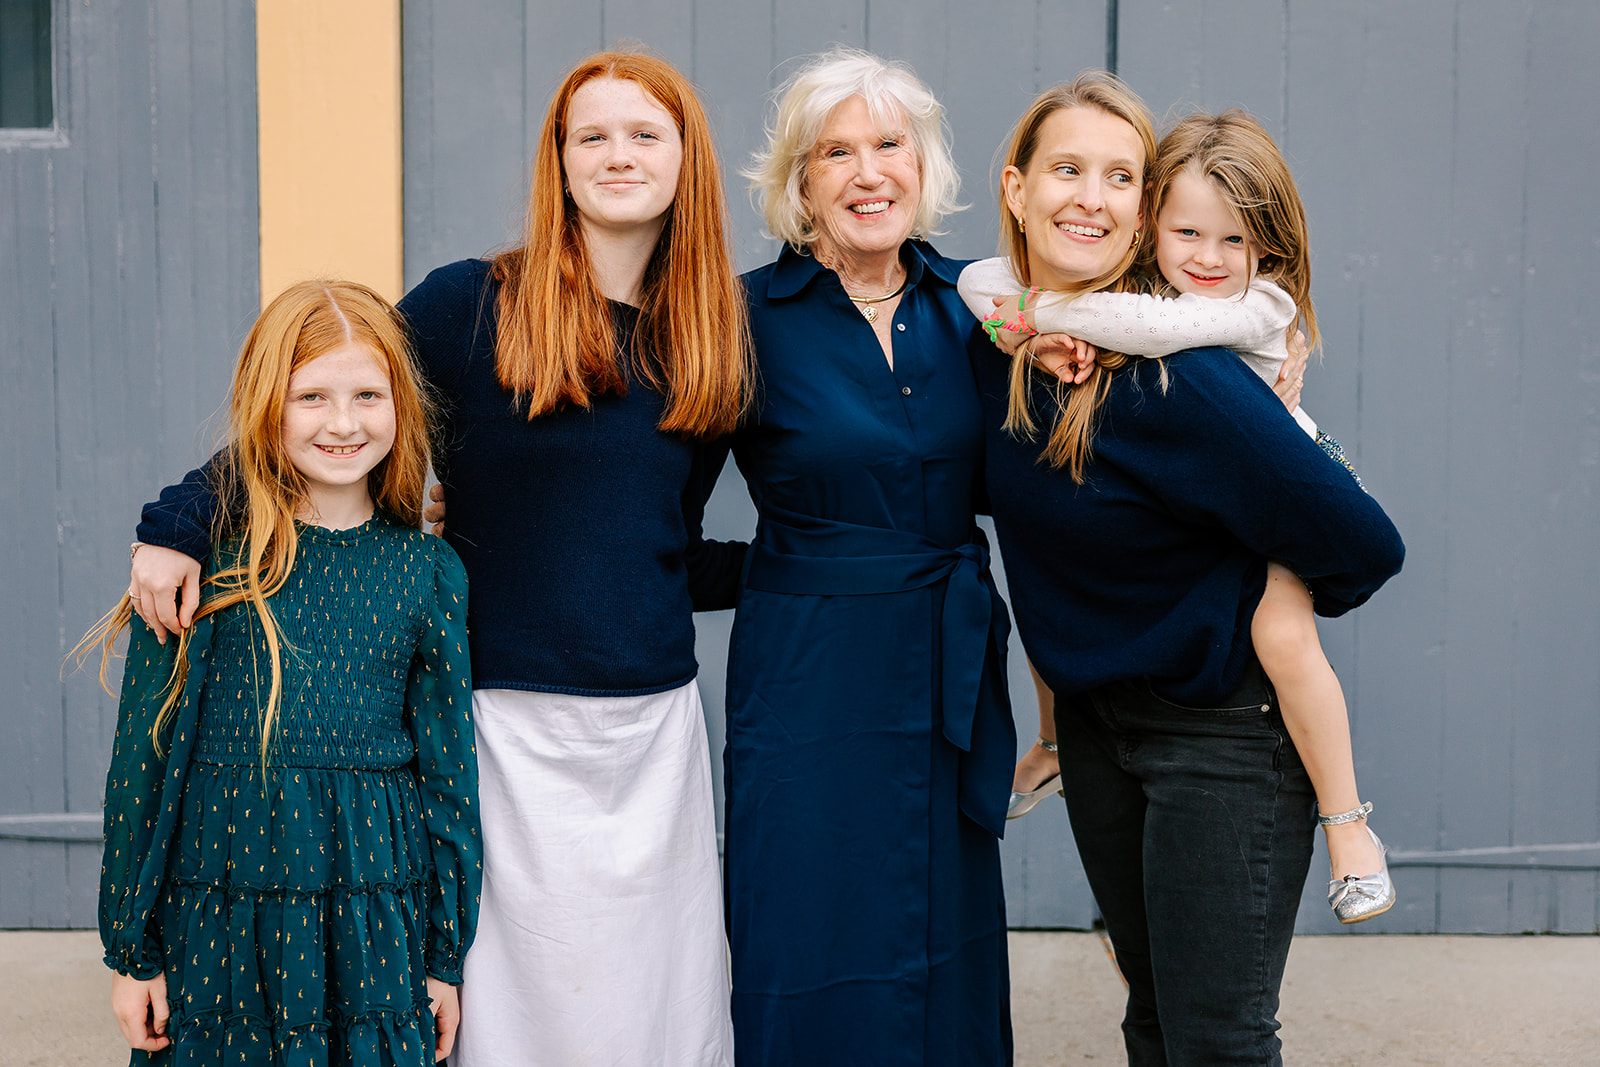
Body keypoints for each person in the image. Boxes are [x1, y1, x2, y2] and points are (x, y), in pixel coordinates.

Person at [124, 52, 751, 1067]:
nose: (618, 154)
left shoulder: (707, 336)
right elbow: (322, 399)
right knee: (508, 1002)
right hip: (499, 720)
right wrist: (180, 519)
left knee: (651, 1003)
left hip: (647, 732)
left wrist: (833, 571)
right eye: (591, 134)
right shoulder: (470, 305)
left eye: (645, 134)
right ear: (558, 160)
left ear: (689, 160)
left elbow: (659, 544)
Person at [969, 74, 1404, 1064]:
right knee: (1152, 1018)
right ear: (1017, 187)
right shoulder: (1005, 348)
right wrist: (1024, 331)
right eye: (1067, 169)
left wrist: (1264, 587)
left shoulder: (1185, 377)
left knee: (1216, 1037)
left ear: (1139, 207)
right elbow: (973, 285)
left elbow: (1366, 542)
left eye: (1117, 174)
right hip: (1097, 732)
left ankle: (1350, 824)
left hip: (1218, 732)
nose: (1089, 195)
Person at [80, 280, 480, 1064]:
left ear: (402, 404)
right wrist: (132, 952)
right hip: (220, 914)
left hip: (372, 917)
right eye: (312, 397)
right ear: (268, 405)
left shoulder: (427, 571)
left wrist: (443, 957)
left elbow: (450, 779)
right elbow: (142, 766)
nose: (342, 422)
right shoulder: (198, 569)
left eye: (368, 394)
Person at [723, 48, 1014, 1065]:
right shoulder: (741, 317)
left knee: (942, 920)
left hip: (942, 658)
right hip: (807, 670)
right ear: (798, 183)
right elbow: (642, 493)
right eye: (833, 151)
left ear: (923, 163)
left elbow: (1068, 451)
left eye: (888, 144)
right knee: (807, 909)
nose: (866, 172)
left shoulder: (982, 308)